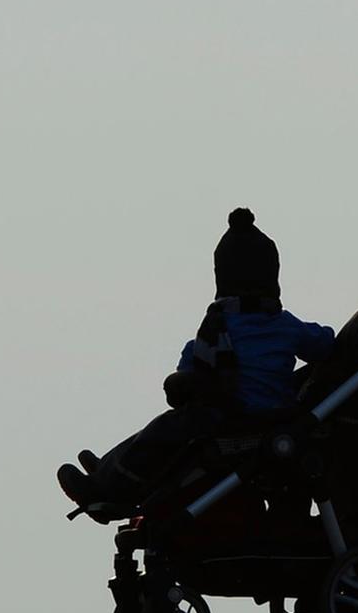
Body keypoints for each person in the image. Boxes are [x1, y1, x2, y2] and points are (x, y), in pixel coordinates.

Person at [57, 208, 334, 511]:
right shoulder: (285, 325)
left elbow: (188, 371)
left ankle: (111, 483)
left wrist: (185, 382)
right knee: (165, 434)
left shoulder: (215, 328)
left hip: (234, 423)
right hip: (273, 417)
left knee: (160, 433)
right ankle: (108, 471)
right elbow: (325, 344)